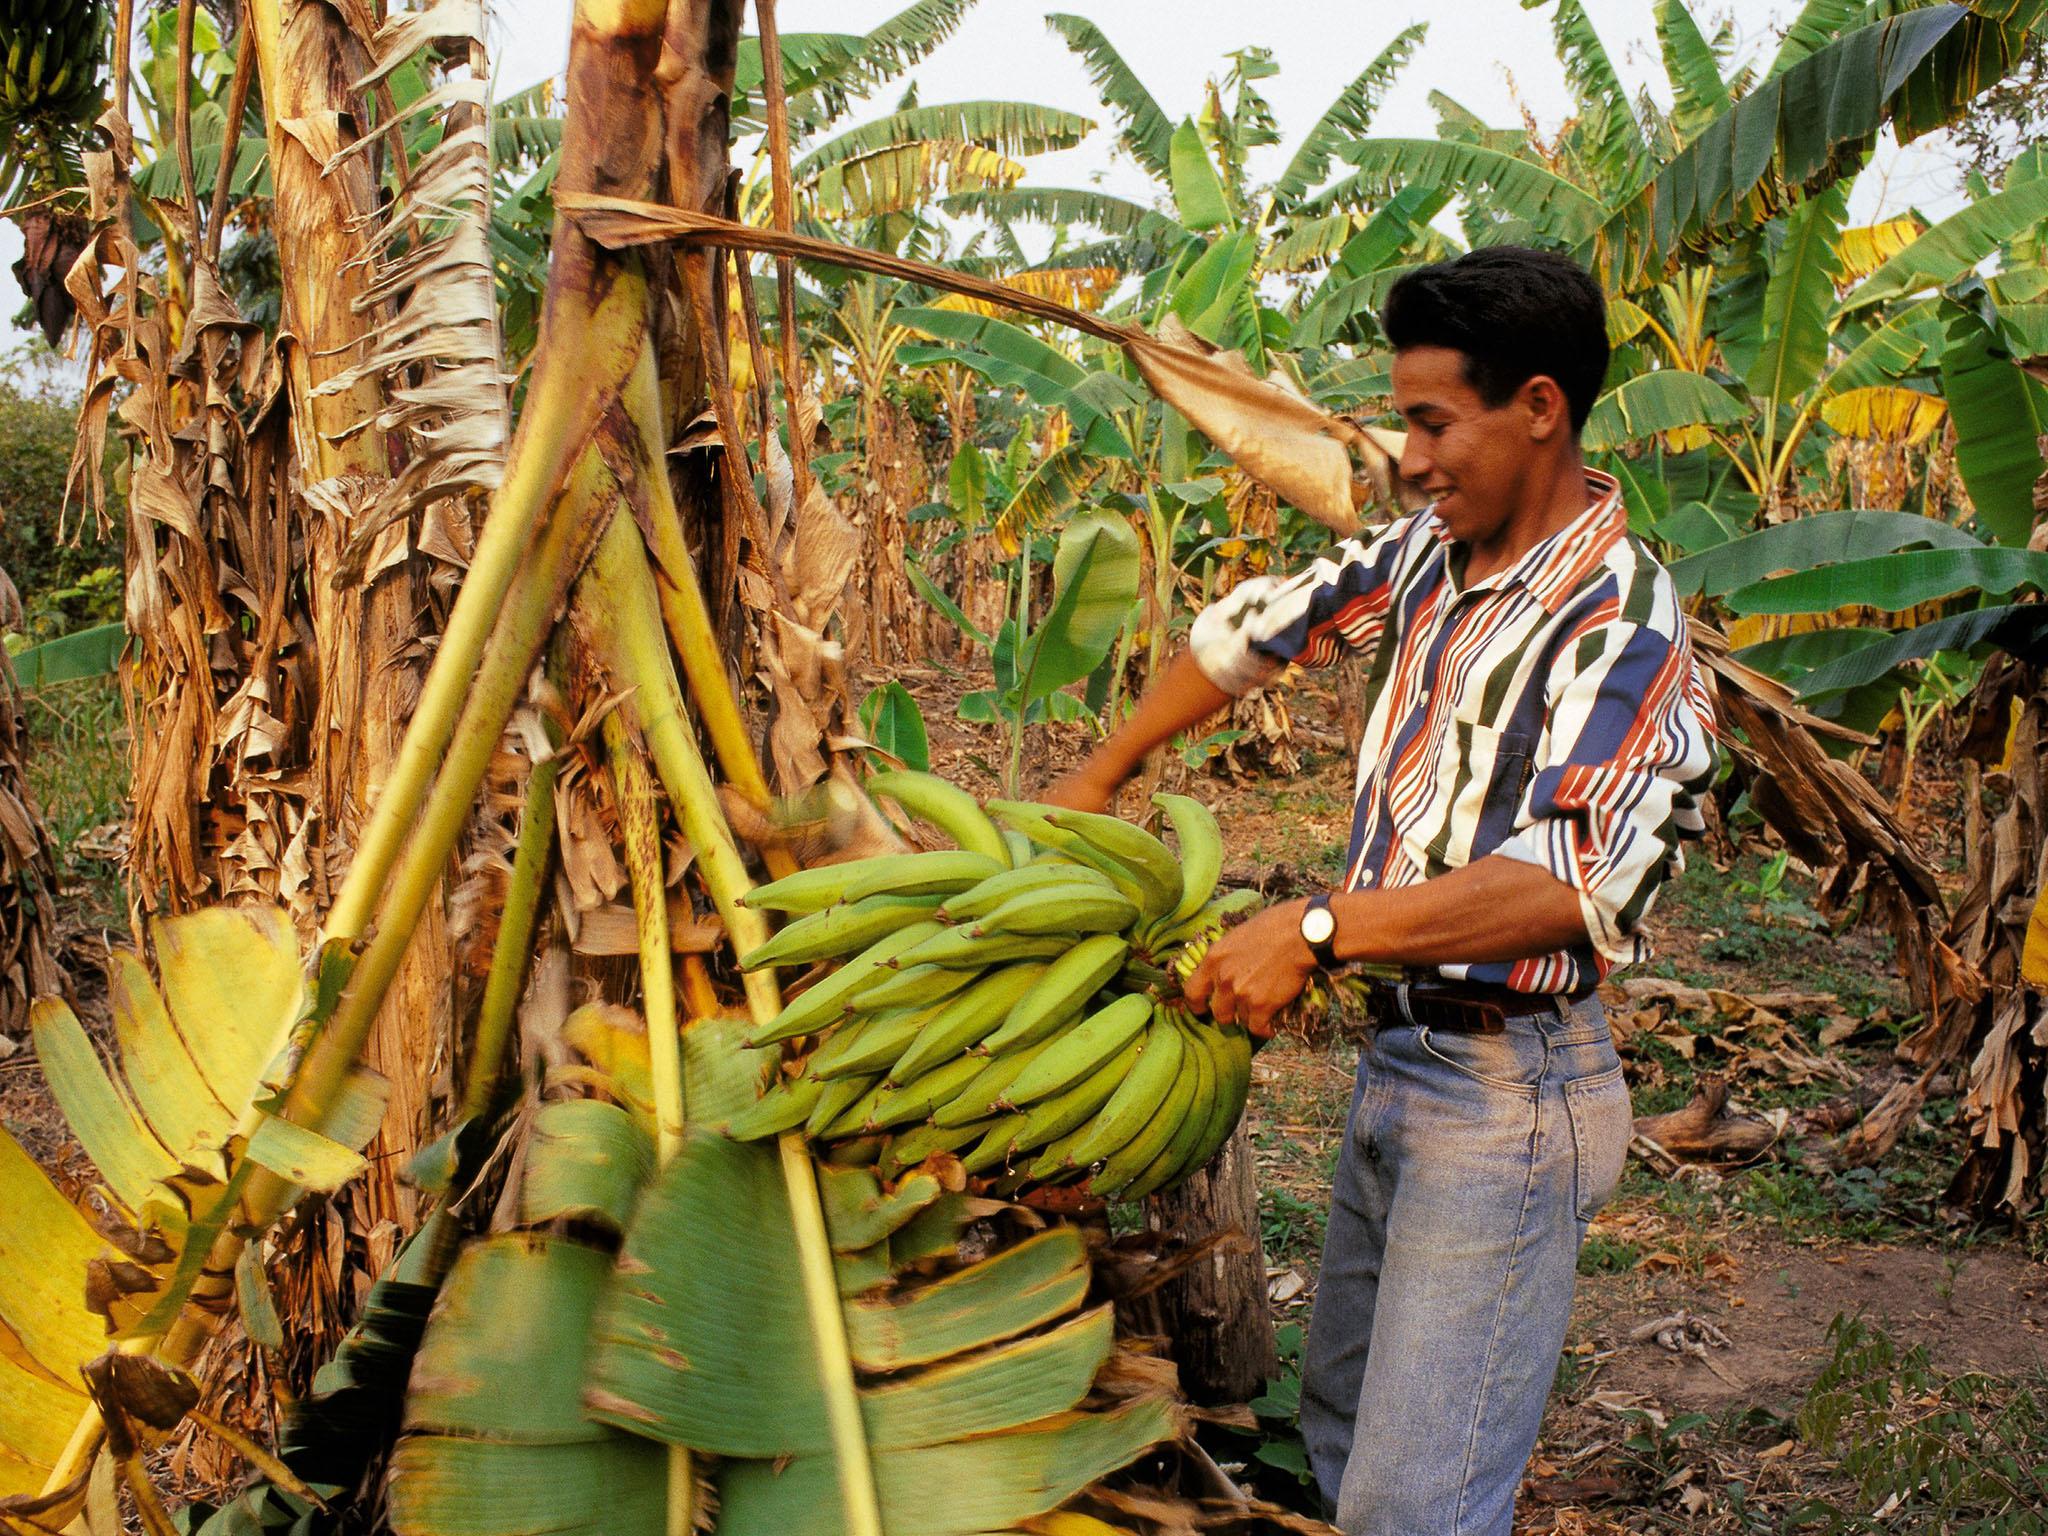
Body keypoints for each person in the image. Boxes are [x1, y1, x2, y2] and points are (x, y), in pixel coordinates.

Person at [1046, 246, 1718, 1536]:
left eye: (1430, 421)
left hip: (1512, 1091)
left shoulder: (1620, 622)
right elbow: (1254, 637)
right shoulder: (1425, 556)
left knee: (1417, 1503)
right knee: (1346, 1437)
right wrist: (1103, 772)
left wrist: (1313, 927)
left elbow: (1570, 881)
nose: (1407, 457)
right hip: (1398, 1060)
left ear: (1539, 406)